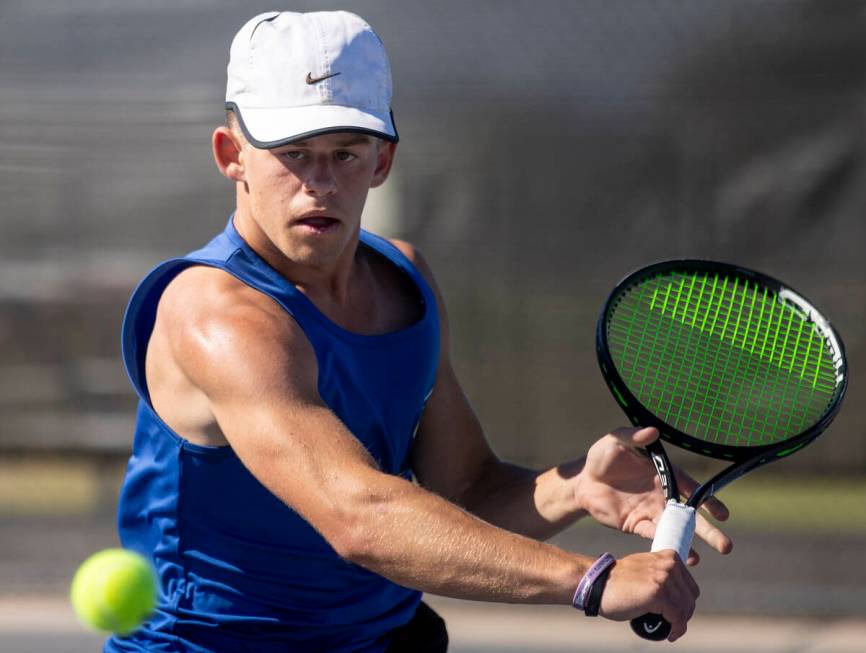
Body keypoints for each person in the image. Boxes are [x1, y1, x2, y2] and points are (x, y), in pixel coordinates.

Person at [106, 10, 732, 653]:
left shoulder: (405, 280)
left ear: (382, 160)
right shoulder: (217, 316)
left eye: (345, 153)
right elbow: (360, 515)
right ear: (231, 156)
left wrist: (573, 486)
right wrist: (591, 580)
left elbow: (465, 492)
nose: (319, 183)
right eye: (293, 154)